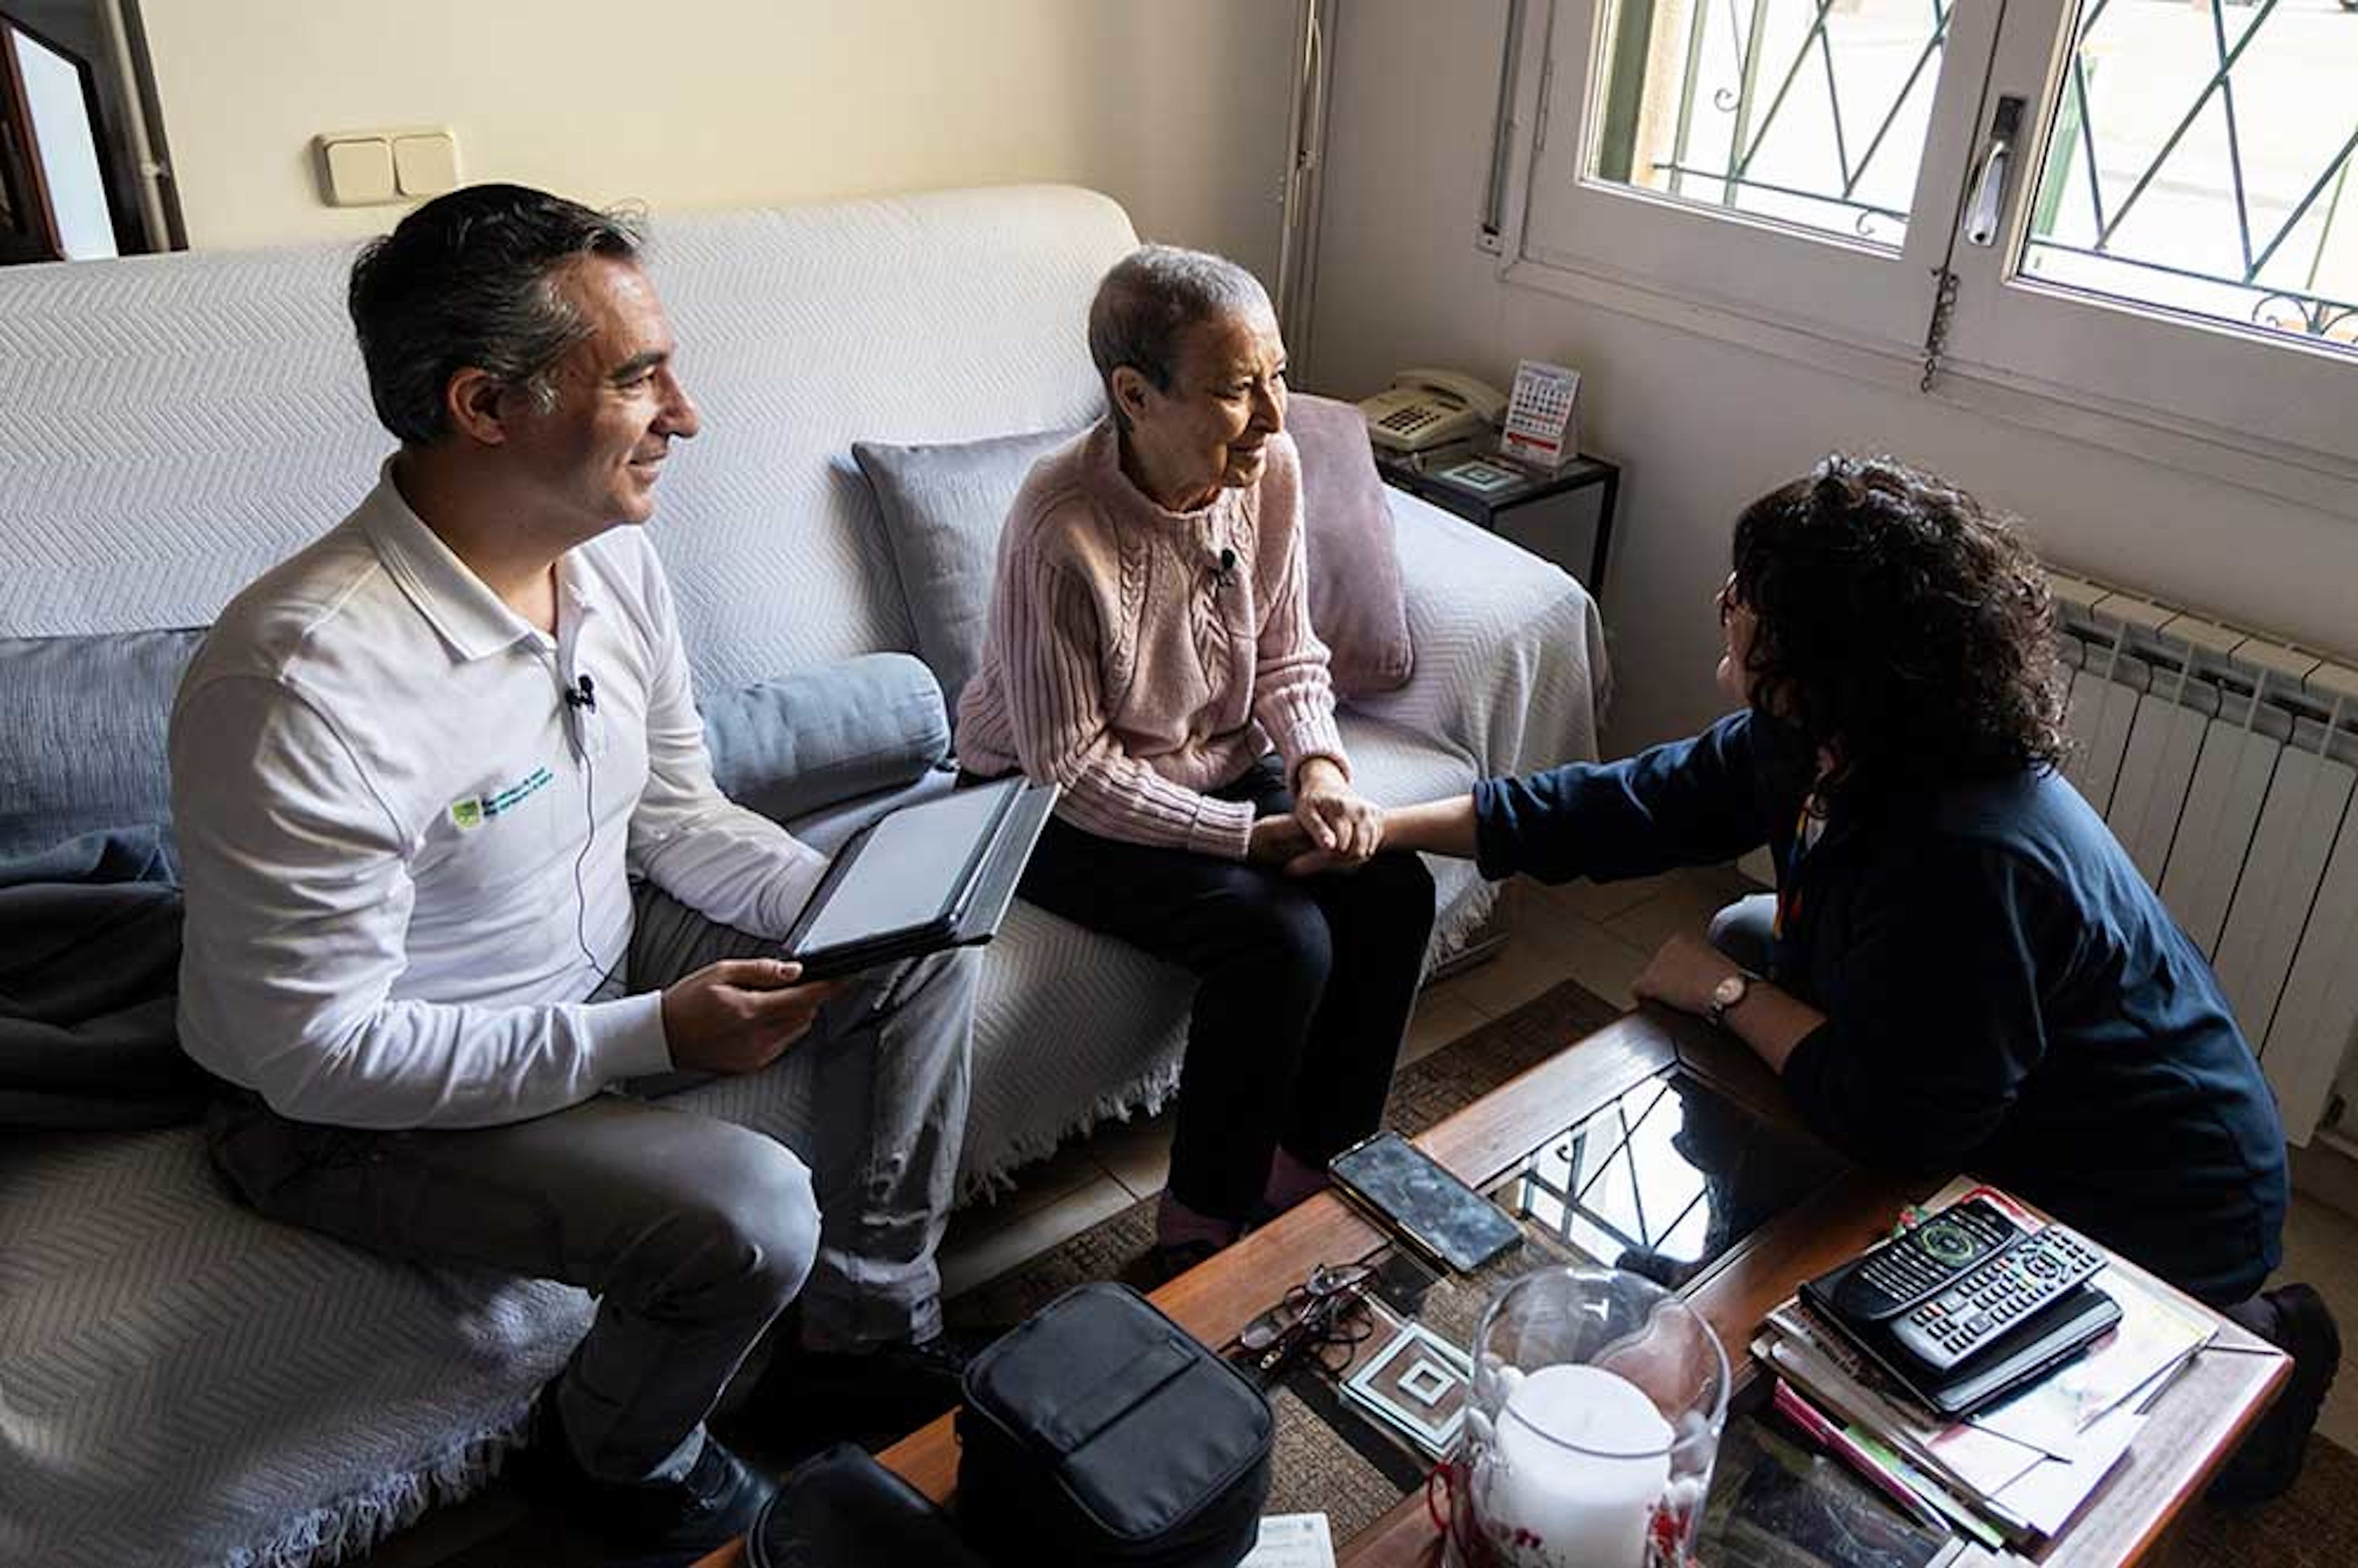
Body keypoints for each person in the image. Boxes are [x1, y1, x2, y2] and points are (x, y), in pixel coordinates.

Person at [169, 184, 978, 1565]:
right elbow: (316, 1054)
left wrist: (847, 914)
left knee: (916, 947)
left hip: (596, 956)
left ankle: (866, 1330)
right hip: (351, 1108)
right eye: (640, 376)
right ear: (486, 405)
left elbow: (672, 806)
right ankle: (613, 1459)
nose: (687, 413)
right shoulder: (300, 681)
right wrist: (653, 1033)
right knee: (751, 1210)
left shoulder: (611, 562)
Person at [1360, 455, 2336, 1502]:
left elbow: (1909, 1124)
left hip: (2155, 1189)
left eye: (1746, 596)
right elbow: (1624, 805)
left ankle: (2255, 1352)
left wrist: (1725, 994)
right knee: (1745, 928)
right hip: (1997, 1072)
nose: (1721, 604)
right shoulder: (1826, 746)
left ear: (1818, 653)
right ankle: (1745, 1274)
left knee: (1738, 969)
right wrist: (1386, 828)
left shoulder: (1966, 850)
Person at [955, 244, 1436, 1278]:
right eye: (1234, 390)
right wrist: (1242, 836)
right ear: (1135, 394)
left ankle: (1310, 1170)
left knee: (1389, 882)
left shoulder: (1273, 468)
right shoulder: (1057, 525)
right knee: (1280, 939)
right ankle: (1198, 1233)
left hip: (1211, 760)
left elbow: (1290, 651)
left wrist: (1318, 770)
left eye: (1277, 376)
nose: (1273, 414)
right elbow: (1070, 768)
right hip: (1041, 801)